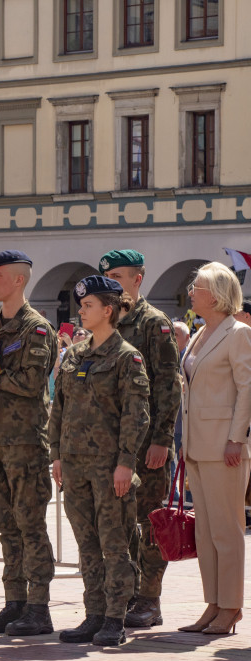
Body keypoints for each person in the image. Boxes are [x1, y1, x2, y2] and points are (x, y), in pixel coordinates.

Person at [50, 275, 150, 647]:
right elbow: (58, 409)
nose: (82, 310)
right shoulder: (75, 354)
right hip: (75, 467)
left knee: (115, 543)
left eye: (88, 305)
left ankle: (115, 617)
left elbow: (136, 415)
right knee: (87, 543)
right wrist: (56, 455)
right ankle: (93, 614)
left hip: (110, 468)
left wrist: (126, 462)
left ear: (107, 310)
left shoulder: (127, 357)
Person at [0, 251, 58, 637]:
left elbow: (30, 384)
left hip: (24, 446)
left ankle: (38, 608)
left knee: (30, 527)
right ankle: (14, 603)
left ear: (19, 280)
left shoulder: (35, 330)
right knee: (7, 528)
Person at [99, 250, 182, 628]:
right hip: (116, 445)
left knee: (149, 523)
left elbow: (168, 385)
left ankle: (150, 599)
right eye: (106, 276)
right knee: (121, 523)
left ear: (138, 279)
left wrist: (162, 439)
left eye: (117, 275)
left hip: (148, 442)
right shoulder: (108, 321)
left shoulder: (153, 323)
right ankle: (128, 593)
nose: (111, 282)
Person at [177, 262, 251, 635]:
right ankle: (213, 603)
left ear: (218, 293)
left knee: (227, 530)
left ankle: (232, 606)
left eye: (198, 286)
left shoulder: (238, 333)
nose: (192, 291)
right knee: (204, 532)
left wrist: (237, 438)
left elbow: (246, 388)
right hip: (197, 445)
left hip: (225, 446)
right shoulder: (198, 334)